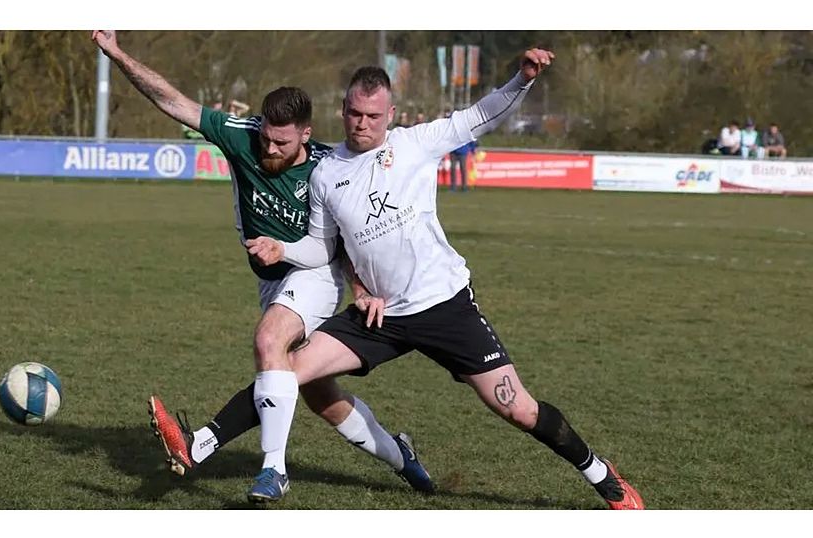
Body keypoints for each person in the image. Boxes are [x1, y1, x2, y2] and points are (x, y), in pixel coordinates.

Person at [244, 49, 645, 509]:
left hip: (444, 305)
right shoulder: (327, 172)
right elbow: (322, 245)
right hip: (382, 314)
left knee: (517, 407)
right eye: (354, 113)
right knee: (286, 372)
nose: (362, 123)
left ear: (389, 114)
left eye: (373, 115)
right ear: (343, 110)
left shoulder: (416, 143)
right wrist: (286, 249)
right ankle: (236, 455)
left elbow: (479, 115)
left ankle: (599, 472)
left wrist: (522, 80)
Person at [91, 30, 434, 502]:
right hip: (272, 284)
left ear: (306, 135)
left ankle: (264, 468)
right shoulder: (242, 137)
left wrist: (360, 288)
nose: (270, 151)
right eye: (268, 140)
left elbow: (345, 238)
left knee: (268, 340)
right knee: (316, 394)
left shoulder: (325, 165)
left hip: (314, 274)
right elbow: (172, 101)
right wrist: (117, 54)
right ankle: (401, 455)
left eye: (281, 144)